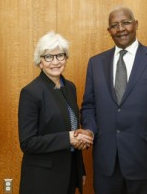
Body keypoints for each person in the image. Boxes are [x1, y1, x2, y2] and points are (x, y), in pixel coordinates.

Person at [80, 6, 147, 194]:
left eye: (126, 22)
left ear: (135, 24)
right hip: (107, 164)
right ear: (109, 31)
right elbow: (89, 106)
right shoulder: (96, 63)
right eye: (114, 25)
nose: (121, 29)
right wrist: (89, 129)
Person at [18, 31, 93, 194]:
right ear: (40, 62)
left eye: (60, 55)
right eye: (48, 57)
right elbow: (28, 142)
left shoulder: (70, 87)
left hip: (69, 174)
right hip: (42, 180)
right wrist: (69, 138)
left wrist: (80, 170)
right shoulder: (31, 92)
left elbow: (74, 128)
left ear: (66, 58)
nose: (55, 62)